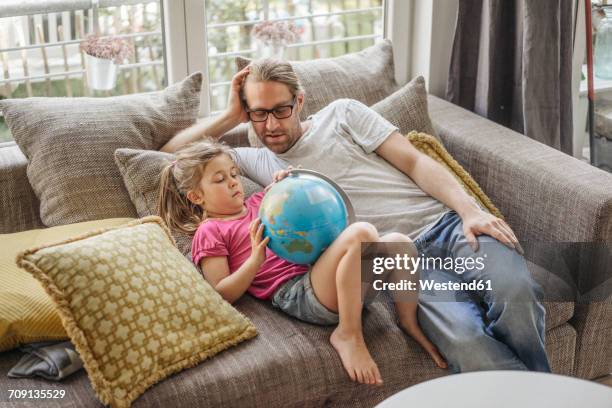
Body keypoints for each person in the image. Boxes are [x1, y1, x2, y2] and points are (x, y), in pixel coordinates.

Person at [161, 59, 551, 373]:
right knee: (468, 344)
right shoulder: (256, 162)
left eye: (280, 109)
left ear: (299, 101)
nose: (271, 125)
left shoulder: (343, 114)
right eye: (258, 114)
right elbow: (172, 153)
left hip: (448, 224)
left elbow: (415, 161)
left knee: (515, 297)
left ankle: (544, 397)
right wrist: (232, 114)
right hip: (400, 259)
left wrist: (469, 211)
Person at [157, 140, 447, 386]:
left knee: (401, 242)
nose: (233, 182)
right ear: (196, 197)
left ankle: (408, 321)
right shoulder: (211, 232)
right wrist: (256, 260)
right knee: (363, 233)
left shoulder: (262, 201)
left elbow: (307, 212)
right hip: (300, 294)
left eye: (233, 173)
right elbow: (220, 293)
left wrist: (291, 186)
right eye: (220, 179)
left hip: (331, 280)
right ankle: (348, 333)